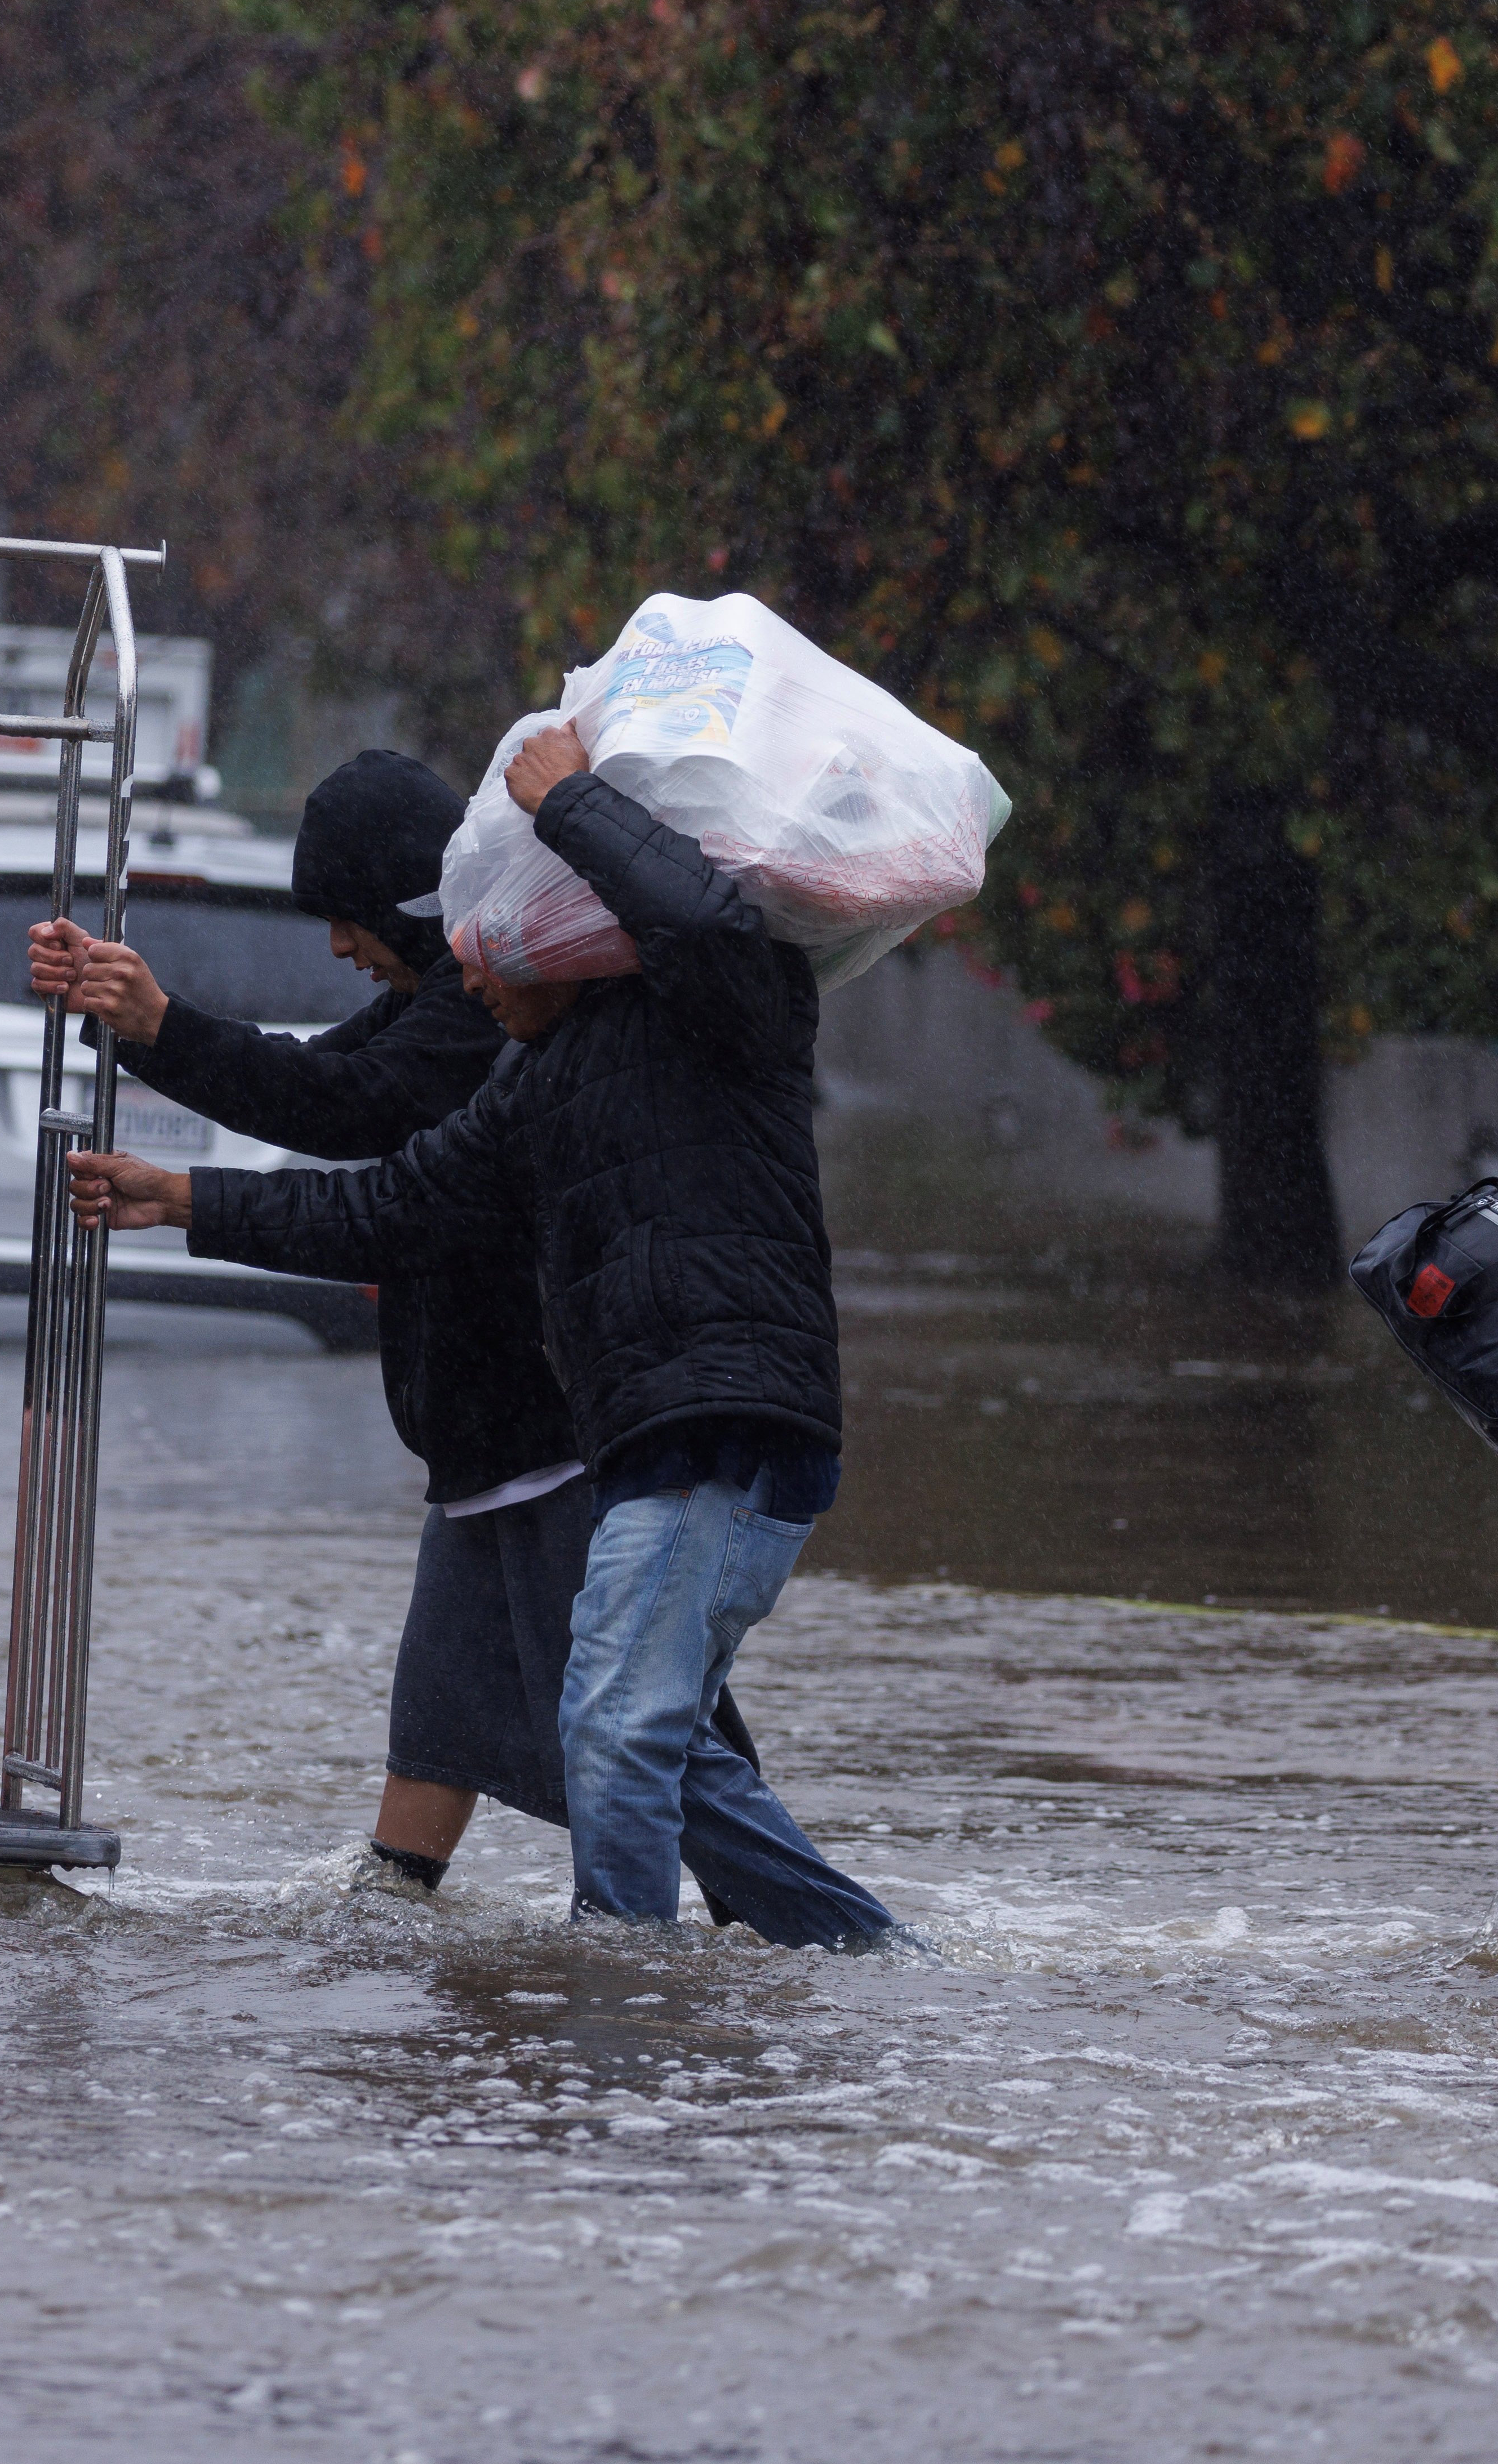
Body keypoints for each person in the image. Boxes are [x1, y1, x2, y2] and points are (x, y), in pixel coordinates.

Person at [65, 722, 899, 1942]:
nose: (470, 978)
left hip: (700, 1426)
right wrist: (180, 1197)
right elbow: (385, 1201)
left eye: (487, 949)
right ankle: (647, 1950)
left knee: (627, 1727)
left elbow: (709, 928)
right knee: (594, 1718)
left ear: (543, 927)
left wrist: (572, 806)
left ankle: (756, 1958)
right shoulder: (525, 1069)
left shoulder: (723, 1013)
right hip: (599, 1437)